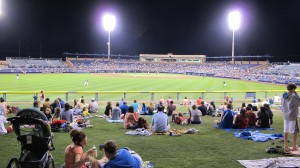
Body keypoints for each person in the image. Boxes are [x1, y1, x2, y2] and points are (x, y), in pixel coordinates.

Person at [281, 83, 300, 152]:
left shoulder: (283, 95)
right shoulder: (294, 96)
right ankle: (294, 146)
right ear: (293, 89)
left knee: (286, 131)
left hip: (285, 116)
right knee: (294, 132)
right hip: (292, 116)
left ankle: (285, 146)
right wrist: (297, 95)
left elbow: (282, 105)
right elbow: (299, 104)